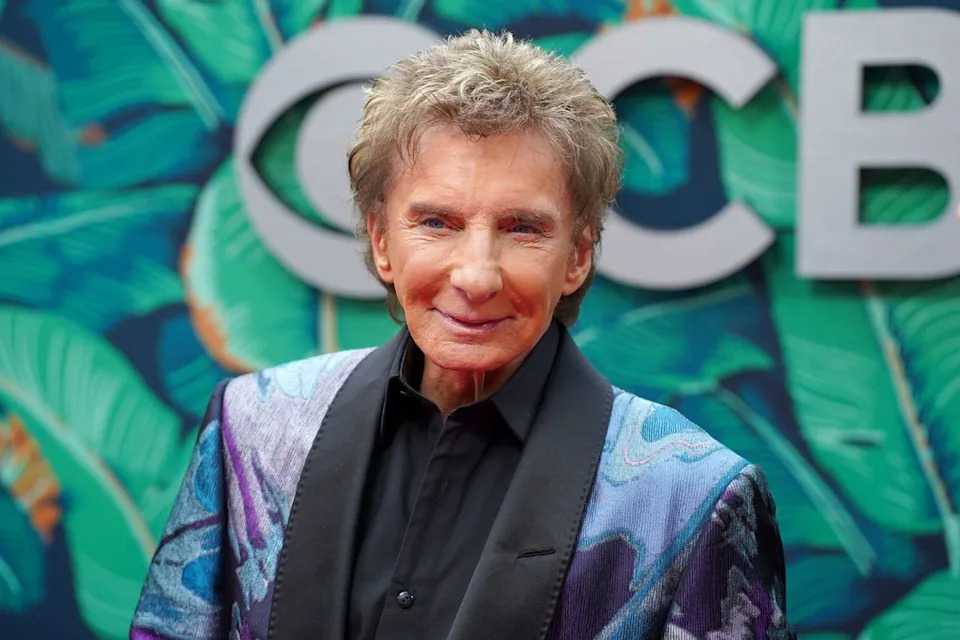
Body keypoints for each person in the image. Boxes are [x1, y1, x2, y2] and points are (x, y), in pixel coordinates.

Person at [130, 30, 792, 640]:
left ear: (580, 255)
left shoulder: (693, 498)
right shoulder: (253, 431)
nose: (477, 275)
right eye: (438, 223)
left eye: (522, 228)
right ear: (382, 240)